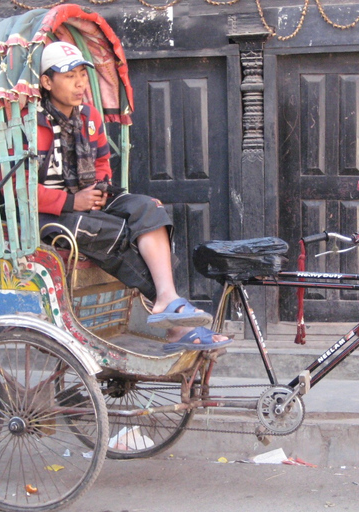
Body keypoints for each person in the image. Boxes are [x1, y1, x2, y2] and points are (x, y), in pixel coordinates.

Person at [36, 41, 230, 352]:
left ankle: (167, 297)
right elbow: (15, 192)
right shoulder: (33, 125)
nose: (79, 83)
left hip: (87, 199)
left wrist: (98, 189)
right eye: (69, 76)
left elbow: (101, 164)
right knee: (112, 233)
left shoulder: (89, 118)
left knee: (147, 207)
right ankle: (177, 325)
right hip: (49, 214)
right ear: (47, 82)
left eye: (82, 76)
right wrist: (73, 202)